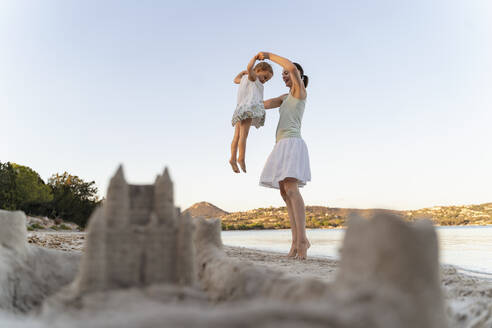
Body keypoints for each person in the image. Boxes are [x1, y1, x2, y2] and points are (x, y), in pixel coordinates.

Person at [258, 51, 311, 260]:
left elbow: (290, 67)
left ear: (297, 74)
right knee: (284, 192)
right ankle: (295, 241)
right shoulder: (284, 97)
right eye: (283, 75)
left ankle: (303, 241)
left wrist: (268, 56)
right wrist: (248, 98)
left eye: (286, 74)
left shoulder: (300, 92)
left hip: (292, 142)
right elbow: (266, 104)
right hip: (280, 145)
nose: (284, 76)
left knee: (291, 188)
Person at [230, 55, 273, 173]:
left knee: (237, 136)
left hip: (240, 109)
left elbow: (235, 80)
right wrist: (254, 59)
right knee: (243, 136)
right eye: (265, 77)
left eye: (267, 80)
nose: (264, 80)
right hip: (249, 109)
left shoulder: (245, 79)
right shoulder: (253, 78)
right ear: (257, 71)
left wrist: (241, 73)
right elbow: (249, 68)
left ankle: (233, 159)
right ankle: (241, 158)